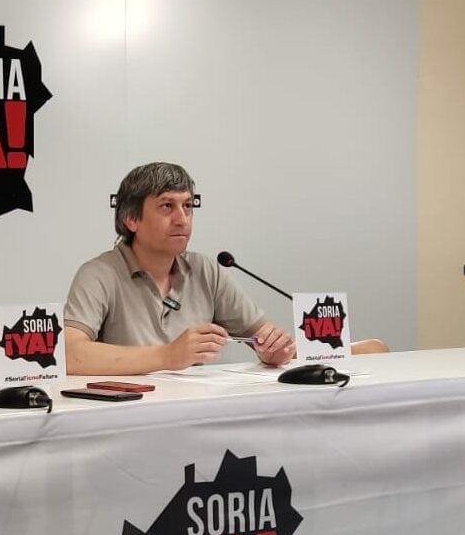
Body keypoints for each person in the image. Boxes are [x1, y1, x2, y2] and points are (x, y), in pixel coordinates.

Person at [64, 161, 295, 375]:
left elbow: (265, 339)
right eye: (167, 206)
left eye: (187, 206)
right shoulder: (99, 274)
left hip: (194, 403)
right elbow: (69, 354)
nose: (182, 219)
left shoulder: (205, 270)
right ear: (131, 219)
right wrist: (168, 355)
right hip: (131, 404)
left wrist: (276, 350)